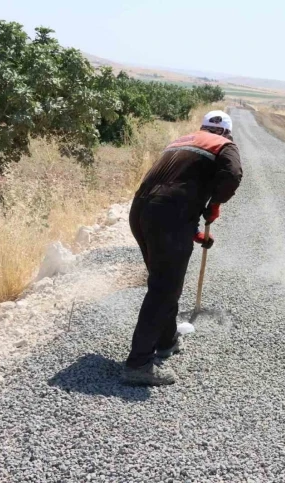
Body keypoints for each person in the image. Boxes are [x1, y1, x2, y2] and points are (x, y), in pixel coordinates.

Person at [123, 110, 243, 386]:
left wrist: (195, 233)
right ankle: (138, 363)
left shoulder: (181, 141)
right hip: (167, 214)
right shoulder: (224, 145)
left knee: (165, 280)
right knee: (165, 287)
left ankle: (166, 341)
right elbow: (233, 175)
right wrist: (213, 205)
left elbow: (171, 189)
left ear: (202, 127)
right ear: (227, 131)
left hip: (141, 211)